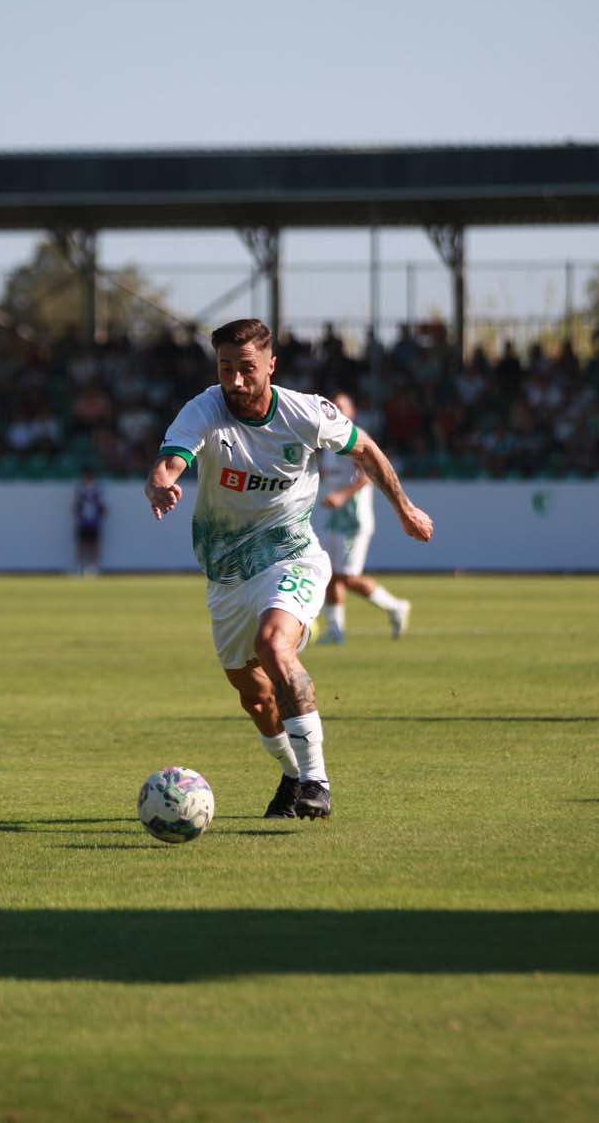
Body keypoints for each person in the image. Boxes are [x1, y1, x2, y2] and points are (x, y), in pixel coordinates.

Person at [145, 318, 434, 821]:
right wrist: (159, 484)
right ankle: (293, 773)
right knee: (256, 698)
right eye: (226, 368)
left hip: (291, 554)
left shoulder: (305, 413)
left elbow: (365, 448)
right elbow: (170, 463)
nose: (235, 381)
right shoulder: (204, 409)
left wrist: (405, 509)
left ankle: (317, 782)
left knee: (274, 646)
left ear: (271, 366)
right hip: (226, 574)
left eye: (247, 369)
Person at [314, 392, 411, 644]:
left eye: (342, 406)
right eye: (333, 406)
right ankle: (335, 629)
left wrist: (343, 495)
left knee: (348, 576)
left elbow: (368, 474)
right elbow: (329, 472)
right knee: (330, 573)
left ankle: (394, 606)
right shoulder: (326, 438)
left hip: (353, 519)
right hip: (334, 518)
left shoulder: (355, 437)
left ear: (352, 411)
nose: (336, 409)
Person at [72, 468, 105, 576]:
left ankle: (93, 567)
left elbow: (101, 506)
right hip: (83, 522)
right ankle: (80, 566)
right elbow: (76, 506)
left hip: (94, 522)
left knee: (94, 545)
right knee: (82, 545)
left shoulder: (97, 490)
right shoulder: (80, 490)